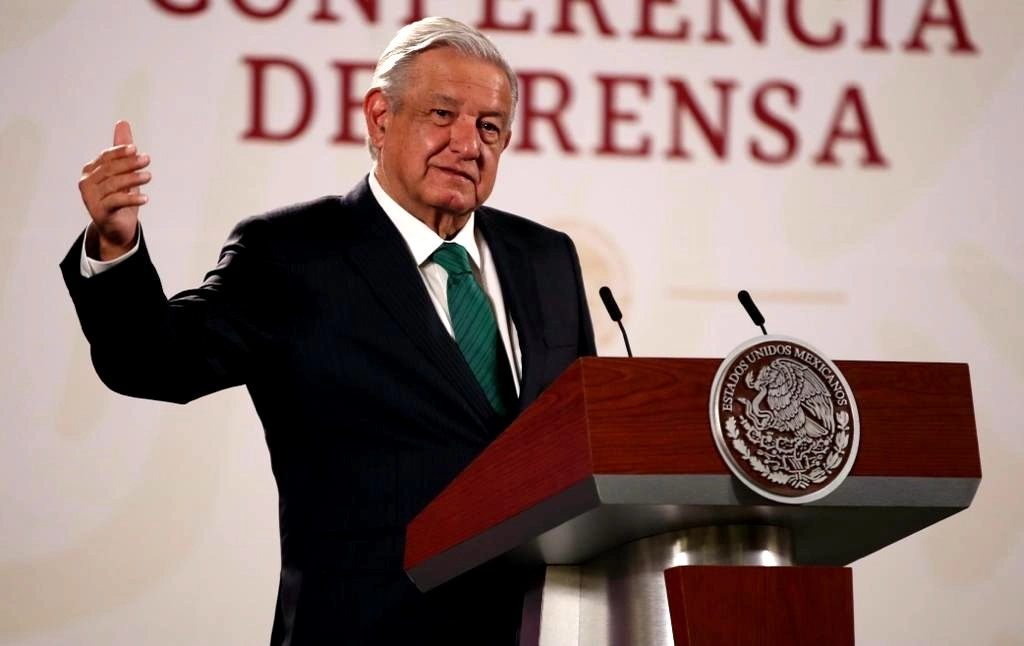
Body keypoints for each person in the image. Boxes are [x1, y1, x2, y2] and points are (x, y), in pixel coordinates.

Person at [60, 16, 595, 646]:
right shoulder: (293, 254)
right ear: (378, 117)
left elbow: (579, 436)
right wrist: (116, 248)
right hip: (365, 627)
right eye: (442, 114)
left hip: (533, 627)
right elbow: (154, 362)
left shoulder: (547, 257)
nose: (467, 143)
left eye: (489, 127)